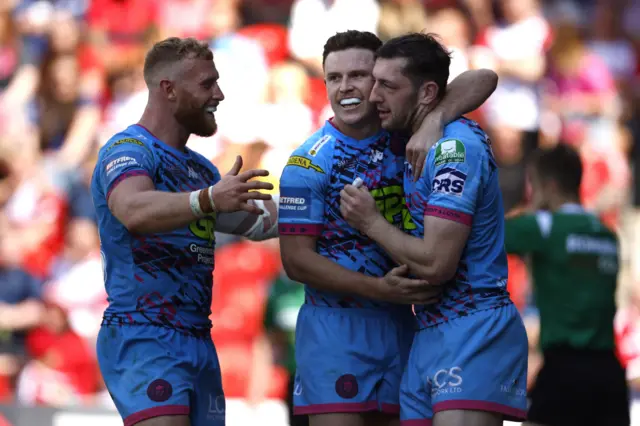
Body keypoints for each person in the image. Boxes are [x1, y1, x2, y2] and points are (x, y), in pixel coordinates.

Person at [278, 30, 498, 426]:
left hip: (406, 328)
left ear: (380, 80)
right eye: (333, 78)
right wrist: (379, 289)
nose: (345, 87)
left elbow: (483, 78)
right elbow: (296, 263)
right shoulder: (308, 163)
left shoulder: (408, 134)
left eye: (359, 76)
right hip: (336, 331)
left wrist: (436, 118)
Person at [339, 33, 528, 426]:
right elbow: (479, 80)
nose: (374, 96)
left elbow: (438, 264)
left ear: (426, 93)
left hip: (472, 328)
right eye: (374, 82)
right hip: (429, 331)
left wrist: (370, 222)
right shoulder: (409, 133)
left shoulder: (452, 150)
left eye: (387, 86)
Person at [91, 37, 279, 426]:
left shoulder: (200, 170)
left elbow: (260, 223)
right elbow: (132, 209)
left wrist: (337, 207)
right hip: (145, 333)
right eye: (207, 84)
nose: (220, 94)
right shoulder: (128, 149)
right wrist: (208, 199)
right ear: (169, 90)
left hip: (197, 338)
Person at [504, 145, 629, 426]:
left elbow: (488, 236)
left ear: (548, 186)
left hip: (564, 370)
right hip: (609, 372)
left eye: (533, 187)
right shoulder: (608, 235)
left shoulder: (544, 226)